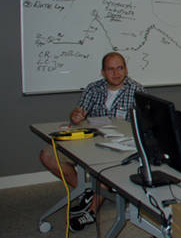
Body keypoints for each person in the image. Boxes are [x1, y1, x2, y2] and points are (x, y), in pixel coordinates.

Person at [38, 52, 144, 231]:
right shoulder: (93, 88)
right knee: (47, 155)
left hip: (119, 147)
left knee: (103, 169)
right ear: (103, 72)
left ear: (126, 69)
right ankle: (87, 191)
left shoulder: (137, 90)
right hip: (90, 141)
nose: (116, 73)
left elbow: (144, 123)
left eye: (120, 68)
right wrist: (76, 115)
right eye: (111, 69)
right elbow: (79, 113)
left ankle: (92, 212)